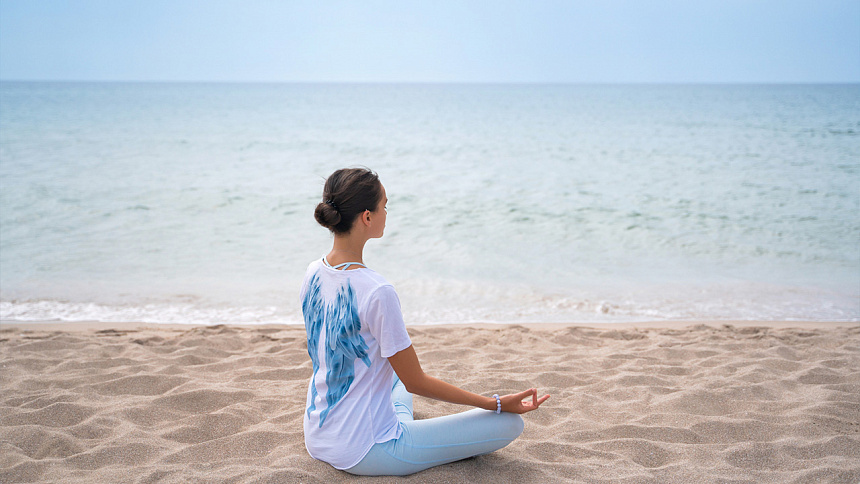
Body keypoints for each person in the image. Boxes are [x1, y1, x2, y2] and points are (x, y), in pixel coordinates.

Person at [300, 167, 550, 476]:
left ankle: (401, 421)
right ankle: (407, 427)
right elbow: (416, 382)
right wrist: (495, 403)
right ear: (367, 217)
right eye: (385, 206)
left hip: (318, 434)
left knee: (391, 376)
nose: (386, 213)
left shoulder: (313, 272)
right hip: (366, 449)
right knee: (509, 423)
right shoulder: (377, 291)